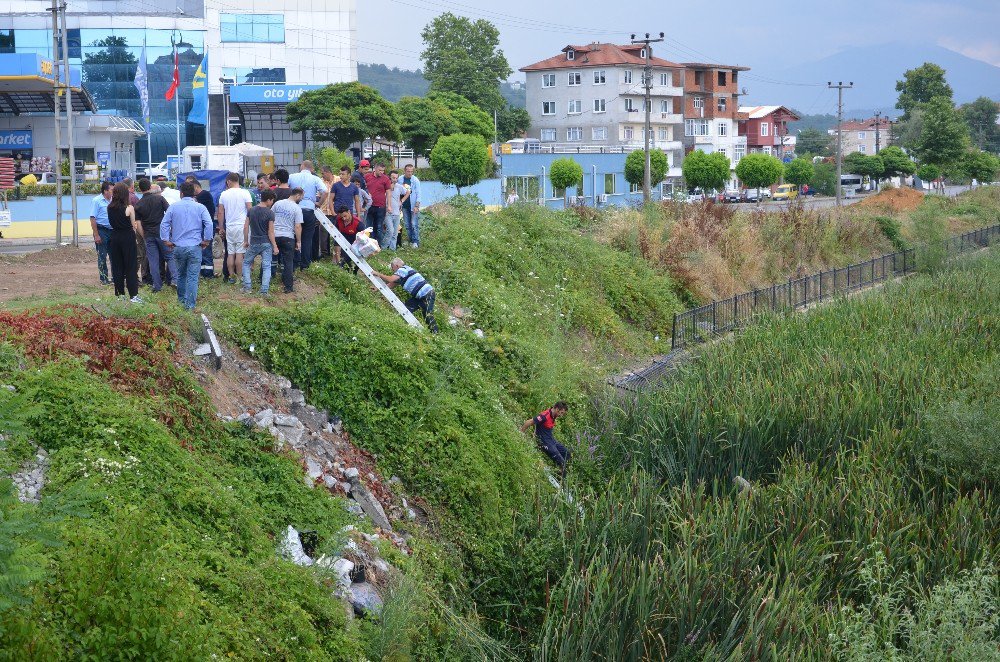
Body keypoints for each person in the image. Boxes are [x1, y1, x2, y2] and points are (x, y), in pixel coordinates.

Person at [161, 181, 213, 310]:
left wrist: (166, 240)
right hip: (195, 246)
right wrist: (206, 240)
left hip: (178, 247)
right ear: (194, 193)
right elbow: (209, 224)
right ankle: (190, 305)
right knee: (192, 277)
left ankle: (181, 302)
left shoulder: (173, 207)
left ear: (181, 193)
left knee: (181, 275)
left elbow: (164, 224)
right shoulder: (200, 207)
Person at [373, 257, 439, 333]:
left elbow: (390, 279)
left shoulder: (403, 269)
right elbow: (391, 284)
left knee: (427, 314)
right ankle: (400, 326)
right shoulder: (402, 274)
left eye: (392, 267)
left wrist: (377, 274)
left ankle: (435, 333)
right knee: (405, 309)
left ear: (397, 266)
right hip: (418, 297)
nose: (392, 270)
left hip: (426, 293)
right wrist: (377, 288)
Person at [134, 178, 174, 292]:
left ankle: (157, 286)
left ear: (140, 189)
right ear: (150, 187)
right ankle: (175, 280)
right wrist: (168, 228)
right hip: (162, 233)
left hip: (149, 235)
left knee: (153, 261)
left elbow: (138, 224)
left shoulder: (138, 204)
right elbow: (170, 212)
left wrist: (144, 236)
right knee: (170, 257)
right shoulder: (160, 199)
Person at [288, 160, 327, 269]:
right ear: (311, 169)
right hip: (309, 210)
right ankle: (305, 264)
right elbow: (325, 191)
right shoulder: (315, 179)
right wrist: (319, 203)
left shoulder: (292, 176)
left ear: (302, 166)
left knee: (294, 236)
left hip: (295, 208)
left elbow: (286, 187)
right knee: (307, 238)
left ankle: (294, 262)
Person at [107, 182, 143, 302]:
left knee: (117, 267)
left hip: (114, 237)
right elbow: (134, 225)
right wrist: (135, 225)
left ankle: (120, 295)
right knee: (130, 267)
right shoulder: (129, 208)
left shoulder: (109, 207)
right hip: (127, 237)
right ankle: (133, 295)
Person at [218, 172, 253, 284]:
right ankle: (239, 277)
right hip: (242, 226)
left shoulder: (223, 194)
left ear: (229, 181)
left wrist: (221, 227)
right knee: (240, 253)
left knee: (230, 253)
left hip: (230, 226)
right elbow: (250, 210)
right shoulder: (245, 193)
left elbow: (220, 212)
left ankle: (231, 277)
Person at [242, 189, 278, 295]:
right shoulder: (270, 213)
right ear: (268, 200)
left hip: (254, 242)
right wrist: (275, 246)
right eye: (272, 201)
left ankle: (247, 287)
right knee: (267, 266)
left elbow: (245, 227)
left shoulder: (251, 210)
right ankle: (264, 291)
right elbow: (270, 232)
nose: (272, 203)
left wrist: (245, 241)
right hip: (266, 243)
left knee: (246, 263)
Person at [520, 402, 570, 477]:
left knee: (567, 453)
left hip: (551, 440)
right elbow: (529, 422)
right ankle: (559, 480)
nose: (561, 415)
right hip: (544, 442)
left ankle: (557, 470)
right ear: (557, 409)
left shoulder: (553, 415)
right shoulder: (544, 416)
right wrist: (520, 433)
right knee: (562, 462)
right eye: (561, 413)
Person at [272, 187, 304, 294]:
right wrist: (298, 241)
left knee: (269, 259)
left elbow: (271, 218)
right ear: (297, 196)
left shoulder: (278, 203)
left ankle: (265, 280)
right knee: (288, 262)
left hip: (275, 235)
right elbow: (298, 226)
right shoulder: (297, 208)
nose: (301, 200)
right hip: (288, 237)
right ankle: (288, 287)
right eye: (301, 197)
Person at [185, 176, 217, 278]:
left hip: (206, 227)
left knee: (206, 251)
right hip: (202, 227)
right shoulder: (201, 196)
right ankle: (203, 272)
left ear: (196, 187)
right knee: (202, 251)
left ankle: (208, 274)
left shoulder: (204, 195)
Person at [122, 177, 150, 286]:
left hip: (122, 230)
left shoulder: (117, 197)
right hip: (135, 229)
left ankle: (128, 276)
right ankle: (137, 277)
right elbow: (139, 215)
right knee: (140, 254)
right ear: (132, 186)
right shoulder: (134, 198)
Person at [89, 180, 114, 285]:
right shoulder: (97, 201)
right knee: (102, 255)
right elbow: (92, 218)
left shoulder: (114, 200)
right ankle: (103, 278)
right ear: (105, 191)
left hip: (112, 230)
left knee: (114, 255)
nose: (113, 191)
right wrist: (96, 234)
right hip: (101, 230)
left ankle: (114, 276)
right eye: (112, 190)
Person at [364, 162, 391, 243]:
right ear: (375, 169)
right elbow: (362, 188)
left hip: (380, 206)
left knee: (379, 227)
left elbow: (388, 192)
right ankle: (369, 244)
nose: (382, 172)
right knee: (368, 226)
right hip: (369, 206)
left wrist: (389, 205)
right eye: (380, 170)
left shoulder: (385, 178)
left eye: (383, 170)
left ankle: (378, 245)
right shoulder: (367, 176)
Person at [333, 205, 362, 271]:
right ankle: (338, 263)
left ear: (349, 212)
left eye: (345, 216)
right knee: (336, 242)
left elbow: (364, 236)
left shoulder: (357, 223)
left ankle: (350, 268)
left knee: (348, 258)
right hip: (343, 236)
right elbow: (336, 232)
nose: (343, 218)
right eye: (342, 217)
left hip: (354, 240)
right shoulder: (338, 219)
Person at [384, 169, 407, 250]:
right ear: (389, 178)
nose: (395, 180)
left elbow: (408, 192)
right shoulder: (385, 186)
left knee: (395, 233)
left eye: (396, 178)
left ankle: (392, 249)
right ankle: (384, 247)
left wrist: (402, 200)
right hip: (387, 213)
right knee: (390, 230)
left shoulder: (399, 186)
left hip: (397, 213)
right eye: (393, 178)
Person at [400, 164, 421, 248]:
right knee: (407, 224)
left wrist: (417, 206)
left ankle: (416, 241)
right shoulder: (400, 179)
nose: (410, 173)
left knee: (414, 224)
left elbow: (419, 193)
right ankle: (410, 240)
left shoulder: (415, 180)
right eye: (408, 171)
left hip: (413, 205)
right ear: (404, 171)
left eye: (411, 171)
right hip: (404, 205)